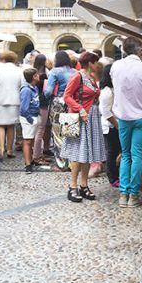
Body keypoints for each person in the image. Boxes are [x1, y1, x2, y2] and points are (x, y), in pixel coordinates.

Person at [111, 38, 142, 207]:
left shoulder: (116, 67)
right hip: (139, 116)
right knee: (137, 155)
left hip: (122, 117)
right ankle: (133, 196)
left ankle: (123, 194)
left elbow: (116, 86)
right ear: (138, 50)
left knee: (126, 154)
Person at [61, 53, 104, 202]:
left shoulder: (91, 77)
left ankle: (84, 185)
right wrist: (80, 108)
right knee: (77, 155)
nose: (97, 64)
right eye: (95, 62)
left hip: (91, 118)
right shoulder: (77, 76)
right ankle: (72, 187)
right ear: (90, 63)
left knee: (88, 154)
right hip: (79, 118)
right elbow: (66, 96)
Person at [0, 51, 23, 162]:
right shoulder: (19, 70)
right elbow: (20, 84)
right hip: (13, 99)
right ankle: (9, 150)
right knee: (11, 126)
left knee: (0, 126)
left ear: (3, 59)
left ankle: (1, 149)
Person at [45, 51, 78, 161]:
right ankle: (72, 161)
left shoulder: (55, 72)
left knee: (58, 132)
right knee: (70, 132)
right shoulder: (75, 71)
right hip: (72, 103)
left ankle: (62, 162)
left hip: (59, 103)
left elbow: (48, 91)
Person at [99, 62, 122, 188]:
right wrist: (116, 124)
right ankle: (112, 177)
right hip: (111, 126)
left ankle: (115, 175)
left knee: (115, 151)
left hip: (115, 124)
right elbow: (106, 112)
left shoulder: (112, 89)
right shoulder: (107, 92)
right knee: (112, 152)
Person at [19, 67, 41, 174]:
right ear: (34, 77)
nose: (39, 76)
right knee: (27, 140)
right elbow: (23, 109)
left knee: (31, 139)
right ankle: (28, 165)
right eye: (37, 75)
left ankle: (30, 160)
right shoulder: (26, 90)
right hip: (29, 117)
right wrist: (30, 119)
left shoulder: (34, 88)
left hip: (34, 116)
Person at [32, 53, 51, 162]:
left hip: (34, 101)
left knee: (37, 129)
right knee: (41, 129)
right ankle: (37, 156)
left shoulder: (32, 72)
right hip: (43, 102)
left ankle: (36, 153)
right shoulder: (44, 74)